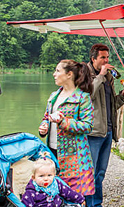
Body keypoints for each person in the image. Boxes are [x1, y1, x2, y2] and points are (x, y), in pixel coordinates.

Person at [85, 43, 124, 207]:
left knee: (100, 173)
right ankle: (89, 203)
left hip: (107, 130)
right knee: (90, 172)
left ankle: (97, 203)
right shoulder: (84, 74)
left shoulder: (108, 78)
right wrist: (101, 75)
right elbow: (87, 97)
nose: (106, 60)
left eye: (107, 57)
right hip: (92, 132)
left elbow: (112, 104)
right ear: (93, 59)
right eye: (102, 58)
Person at [38, 59, 95, 196]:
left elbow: (88, 126)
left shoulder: (83, 98)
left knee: (74, 194)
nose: (54, 74)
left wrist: (63, 121)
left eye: (57, 71)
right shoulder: (53, 96)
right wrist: (43, 127)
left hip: (74, 155)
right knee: (52, 192)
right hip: (52, 151)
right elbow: (46, 117)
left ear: (69, 74)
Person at [21, 152, 85, 207]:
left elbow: (68, 192)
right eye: (41, 176)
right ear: (33, 178)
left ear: (54, 175)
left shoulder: (56, 184)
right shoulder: (31, 191)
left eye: (49, 175)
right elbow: (26, 205)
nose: (46, 179)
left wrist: (81, 199)